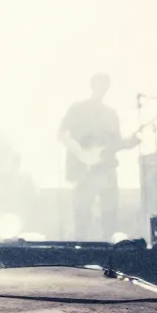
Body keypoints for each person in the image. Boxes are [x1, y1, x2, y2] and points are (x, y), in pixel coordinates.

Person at [59, 73, 127, 240]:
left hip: (106, 169)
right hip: (84, 170)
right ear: (92, 85)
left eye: (105, 85)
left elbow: (116, 142)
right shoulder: (77, 109)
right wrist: (82, 155)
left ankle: (110, 257)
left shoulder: (111, 114)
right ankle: (80, 254)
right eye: (100, 85)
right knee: (82, 215)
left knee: (109, 216)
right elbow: (62, 133)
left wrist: (129, 142)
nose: (102, 89)